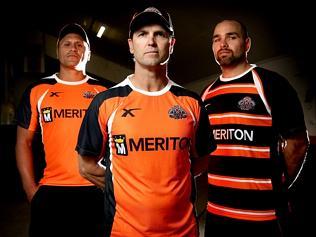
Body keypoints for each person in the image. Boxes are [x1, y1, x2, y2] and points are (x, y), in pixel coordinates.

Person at [76, 6, 216, 237]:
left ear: (171, 44)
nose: (151, 41)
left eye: (159, 34)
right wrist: (123, 188)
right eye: (142, 34)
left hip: (183, 231)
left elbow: (201, 161)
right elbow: (85, 165)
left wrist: (171, 184)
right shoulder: (106, 102)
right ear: (131, 44)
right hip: (125, 231)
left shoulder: (191, 102)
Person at [201, 19, 310, 237]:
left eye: (231, 37)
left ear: (247, 44)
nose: (223, 44)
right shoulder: (206, 94)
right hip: (216, 214)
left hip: (262, 216)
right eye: (217, 39)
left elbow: (297, 144)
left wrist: (279, 190)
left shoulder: (271, 83)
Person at [15, 23, 108, 237]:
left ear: (89, 53)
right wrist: (31, 191)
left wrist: (111, 185)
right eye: (66, 44)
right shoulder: (38, 90)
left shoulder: (103, 92)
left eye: (79, 44)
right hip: (51, 191)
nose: (73, 48)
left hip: (95, 189)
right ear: (57, 51)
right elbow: (23, 142)